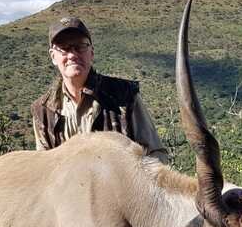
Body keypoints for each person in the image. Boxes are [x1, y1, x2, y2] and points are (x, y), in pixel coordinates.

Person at [31, 17, 168, 163]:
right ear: (53, 56)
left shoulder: (125, 95)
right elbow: (44, 168)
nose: (72, 55)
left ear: (91, 53)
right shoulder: (43, 111)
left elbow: (156, 154)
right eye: (64, 48)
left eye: (80, 46)